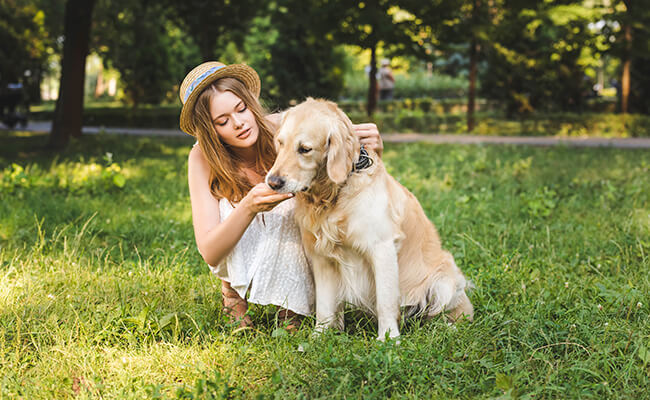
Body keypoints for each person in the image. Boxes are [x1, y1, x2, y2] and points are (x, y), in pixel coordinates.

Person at [179, 61, 384, 328]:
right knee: (233, 209)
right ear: (209, 130)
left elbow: (342, 161)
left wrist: (370, 152)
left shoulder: (286, 128)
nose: (239, 123)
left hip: (305, 244)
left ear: (250, 103)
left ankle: (292, 305)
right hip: (239, 246)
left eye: (241, 109)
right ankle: (232, 292)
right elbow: (210, 252)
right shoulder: (202, 157)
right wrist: (248, 206)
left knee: (295, 208)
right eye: (223, 121)